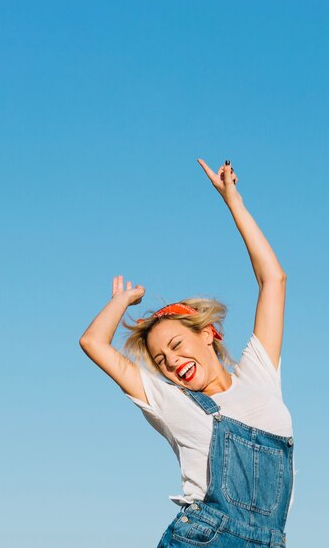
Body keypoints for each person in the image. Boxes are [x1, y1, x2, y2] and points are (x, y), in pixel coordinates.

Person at [79, 159, 295, 548]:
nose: (171, 362)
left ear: (209, 333)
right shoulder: (172, 401)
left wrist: (234, 202)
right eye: (161, 361)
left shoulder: (260, 374)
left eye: (176, 346)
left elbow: (273, 279)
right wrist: (123, 300)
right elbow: (93, 343)